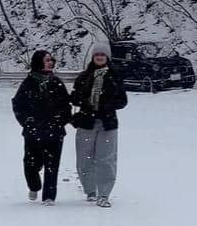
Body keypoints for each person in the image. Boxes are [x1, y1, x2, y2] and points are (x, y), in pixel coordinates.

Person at [70, 41, 128, 208]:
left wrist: (107, 105)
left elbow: (122, 101)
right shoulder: (83, 77)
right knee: (84, 159)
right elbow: (74, 98)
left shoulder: (115, 76)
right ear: (93, 57)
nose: (100, 57)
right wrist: (85, 102)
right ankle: (90, 190)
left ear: (107, 57)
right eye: (97, 55)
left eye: (102, 55)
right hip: (86, 122)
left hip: (107, 123)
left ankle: (104, 193)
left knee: (106, 159)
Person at [12, 50, 71, 206]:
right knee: (31, 164)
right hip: (34, 130)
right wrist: (26, 121)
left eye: (51, 59)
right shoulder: (29, 82)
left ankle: (49, 197)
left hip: (54, 130)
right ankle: (34, 186)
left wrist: (62, 120)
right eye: (47, 60)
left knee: (52, 165)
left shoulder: (57, 82)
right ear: (38, 62)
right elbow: (17, 104)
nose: (50, 62)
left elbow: (66, 105)